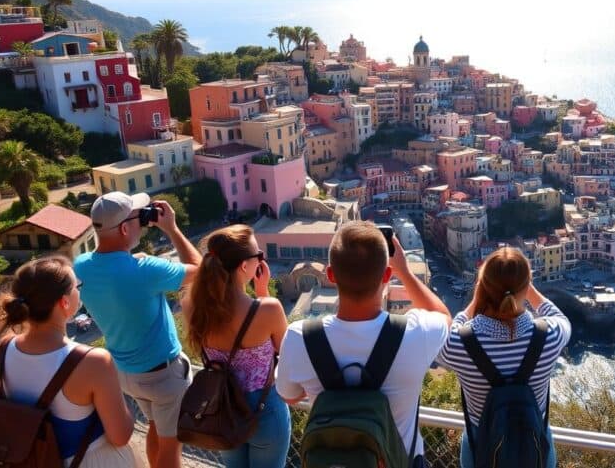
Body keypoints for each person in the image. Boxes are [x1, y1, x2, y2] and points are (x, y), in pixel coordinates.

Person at [275, 220, 451, 467]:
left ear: (330, 275)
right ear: (387, 275)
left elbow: (290, 396)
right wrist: (405, 271)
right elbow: (444, 317)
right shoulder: (415, 334)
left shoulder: (298, 338)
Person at [74, 192, 202, 468]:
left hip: (126, 374)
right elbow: (201, 270)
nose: (144, 223)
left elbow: (116, 273)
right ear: (124, 228)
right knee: (171, 444)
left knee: (156, 427)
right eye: (139, 218)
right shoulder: (146, 270)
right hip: (163, 374)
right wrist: (172, 229)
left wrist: (135, 257)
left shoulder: (81, 266)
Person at [0, 255, 139, 467]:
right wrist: (129, 410)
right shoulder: (92, 361)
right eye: (77, 286)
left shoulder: (3, 348)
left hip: (25, 459)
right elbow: (120, 436)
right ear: (65, 302)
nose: (80, 289)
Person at [436, 247, 571, 468]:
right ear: (526, 286)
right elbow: (558, 316)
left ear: (482, 287)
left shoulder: (457, 345)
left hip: (482, 444)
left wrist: (476, 299)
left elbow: (453, 326)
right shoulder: (550, 336)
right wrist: (529, 288)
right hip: (534, 443)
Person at [182, 225, 289, 468]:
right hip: (263, 409)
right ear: (244, 266)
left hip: (221, 408)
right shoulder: (268, 309)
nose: (261, 259)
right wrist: (262, 291)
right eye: (258, 255)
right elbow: (286, 352)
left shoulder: (191, 305)